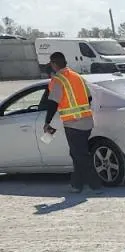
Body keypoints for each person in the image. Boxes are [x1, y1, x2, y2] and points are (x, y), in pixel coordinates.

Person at [41, 51, 103, 194]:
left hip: (73, 123)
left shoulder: (58, 80)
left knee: (80, 155)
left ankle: (95, 185)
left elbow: (52, 103)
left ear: (54, 64)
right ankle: (77, 185)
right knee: (77, 153)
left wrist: (47, 122)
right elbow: (89, 98)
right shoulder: (77, 76)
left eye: (51, 64)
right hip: (86, 121)